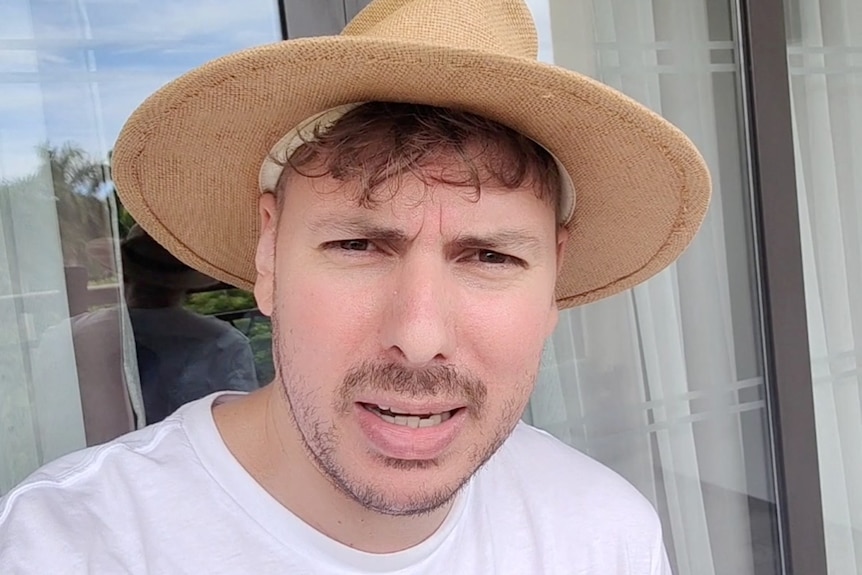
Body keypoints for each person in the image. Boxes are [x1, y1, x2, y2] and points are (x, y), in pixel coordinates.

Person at [0, 0, 711, 573]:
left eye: (490, 257)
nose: (420, 336)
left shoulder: (604, 535)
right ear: (270, 255)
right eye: (358, 244)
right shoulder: (70, 544)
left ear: (554, 281)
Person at [121, 224, 260, 423]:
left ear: (124, 276)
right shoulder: (223, 343)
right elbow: (245, 420)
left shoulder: (87, 334)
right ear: (186, 284)